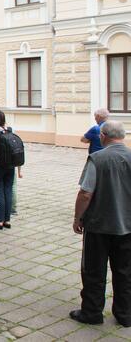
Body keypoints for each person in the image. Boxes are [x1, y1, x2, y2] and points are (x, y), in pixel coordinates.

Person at [70, 120, 131, 327]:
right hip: (127, 226)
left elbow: (85, 193)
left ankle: (92, 312)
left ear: (103, 136)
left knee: (94, 271)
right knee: (125, 271)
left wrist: (78, 218)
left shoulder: (97, 158)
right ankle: (125, 314)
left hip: (98, 225)